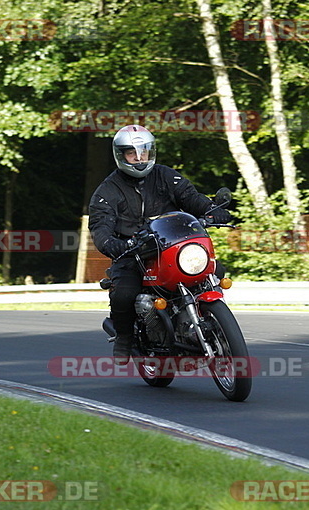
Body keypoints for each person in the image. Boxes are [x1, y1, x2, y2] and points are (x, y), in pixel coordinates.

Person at [88, 124, 232, 364]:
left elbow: (193, 199)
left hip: (171, 244)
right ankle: (124, 337)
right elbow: (100, 227)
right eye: (132, 153)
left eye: (143, 152)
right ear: (120, 155)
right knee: (124, 293)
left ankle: (210, 319)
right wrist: (113, 244)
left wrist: (212, 211)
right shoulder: (108, 190)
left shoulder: (166, 176)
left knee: (215, 270)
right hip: (133, 251)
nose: (139, 158)